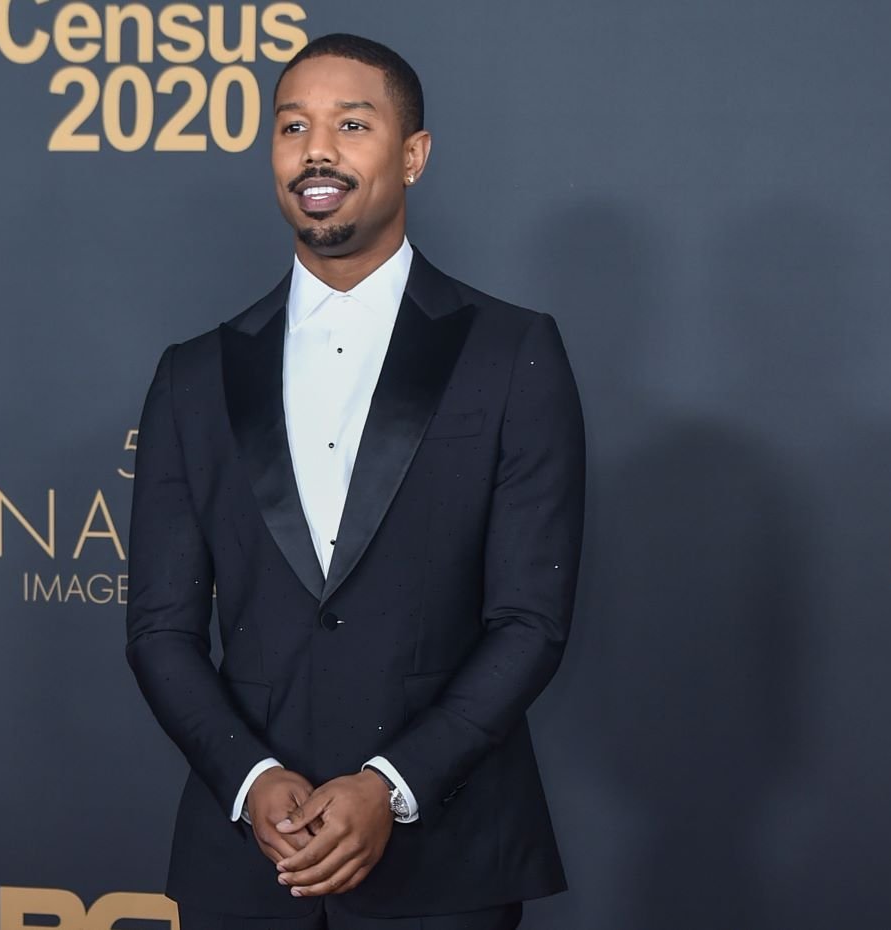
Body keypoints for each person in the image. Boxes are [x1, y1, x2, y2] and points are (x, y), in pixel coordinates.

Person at [125, 33, 586, 930]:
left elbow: (531, 619)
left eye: (352, 124)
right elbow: (159, 629)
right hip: (245, 867)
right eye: (293, 126)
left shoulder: (512, 353)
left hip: (446, 859)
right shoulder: (193, 375)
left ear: (413, 155)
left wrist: (393, 785)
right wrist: (251, 780)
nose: (317, 151)